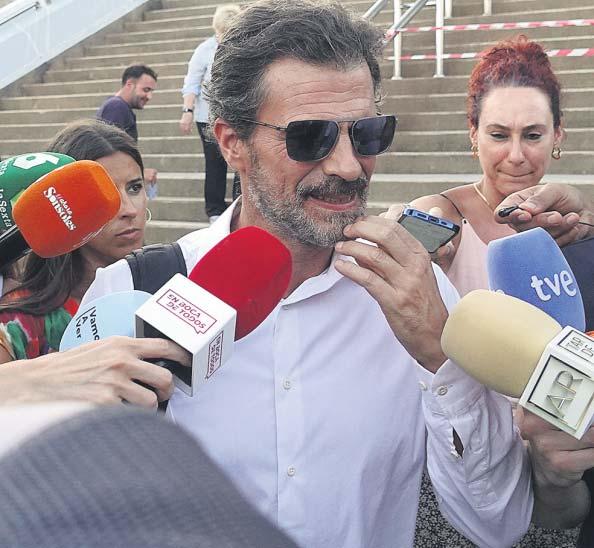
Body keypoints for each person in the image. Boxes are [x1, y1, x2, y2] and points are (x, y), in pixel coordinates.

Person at [80, 2, 532, 547]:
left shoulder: (417, 294)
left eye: (366, 134)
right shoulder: (129, 292)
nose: (347, 165)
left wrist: (442, 359)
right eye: (310, 137)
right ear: (231, 143)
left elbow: (498, 523)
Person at [397, 36, 565, 298]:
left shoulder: (569, 220)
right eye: (499, 135)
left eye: (532, 136)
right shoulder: (442, 217)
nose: (516, 155)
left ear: (557, 135)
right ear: (474, 134)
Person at [0, 120, 148, 362]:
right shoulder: (16, 325)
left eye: (135, 187)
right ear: (62, 205)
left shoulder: (169, 288)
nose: (129, 210)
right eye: (104, 194)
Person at [179, 5, 241, 223]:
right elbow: (192, 83)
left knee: (241, 159)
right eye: (223, 33)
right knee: (215, 162)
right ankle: (215, 210)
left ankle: (240, 204)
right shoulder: (205, 50)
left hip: (237, 115)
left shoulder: (243, 46)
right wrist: (187, 111)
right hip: (208, 117)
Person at [97, 65, 158, 196]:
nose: (149, 96)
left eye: (151, 91)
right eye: (146, 90)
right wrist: (139, 174)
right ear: (129, 84)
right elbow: (108, 153)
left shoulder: (118, 106)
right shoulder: (116, 107)